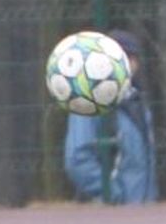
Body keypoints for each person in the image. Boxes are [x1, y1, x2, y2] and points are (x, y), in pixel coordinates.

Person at [64, 28, 157, 204]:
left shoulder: (136, 101)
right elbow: (78, 159)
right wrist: (113, 195)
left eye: (131, 58)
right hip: (107, 214)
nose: (130, 65)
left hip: (143, 210)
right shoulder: (88, 102)